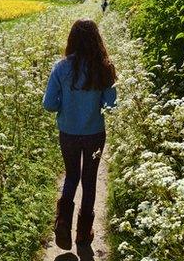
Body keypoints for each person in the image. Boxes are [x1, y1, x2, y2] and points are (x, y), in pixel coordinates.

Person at [42, 19, 117, 251]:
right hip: (94, 133)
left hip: (68, 133)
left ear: (72, 39)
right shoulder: (104, 66)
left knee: (72, 175)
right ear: (97, 40)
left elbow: (48, 104)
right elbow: (111, 105)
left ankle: (63, 221)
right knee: (90, 179)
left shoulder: (61, 67)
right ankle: (83, 234)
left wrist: (66, 105)